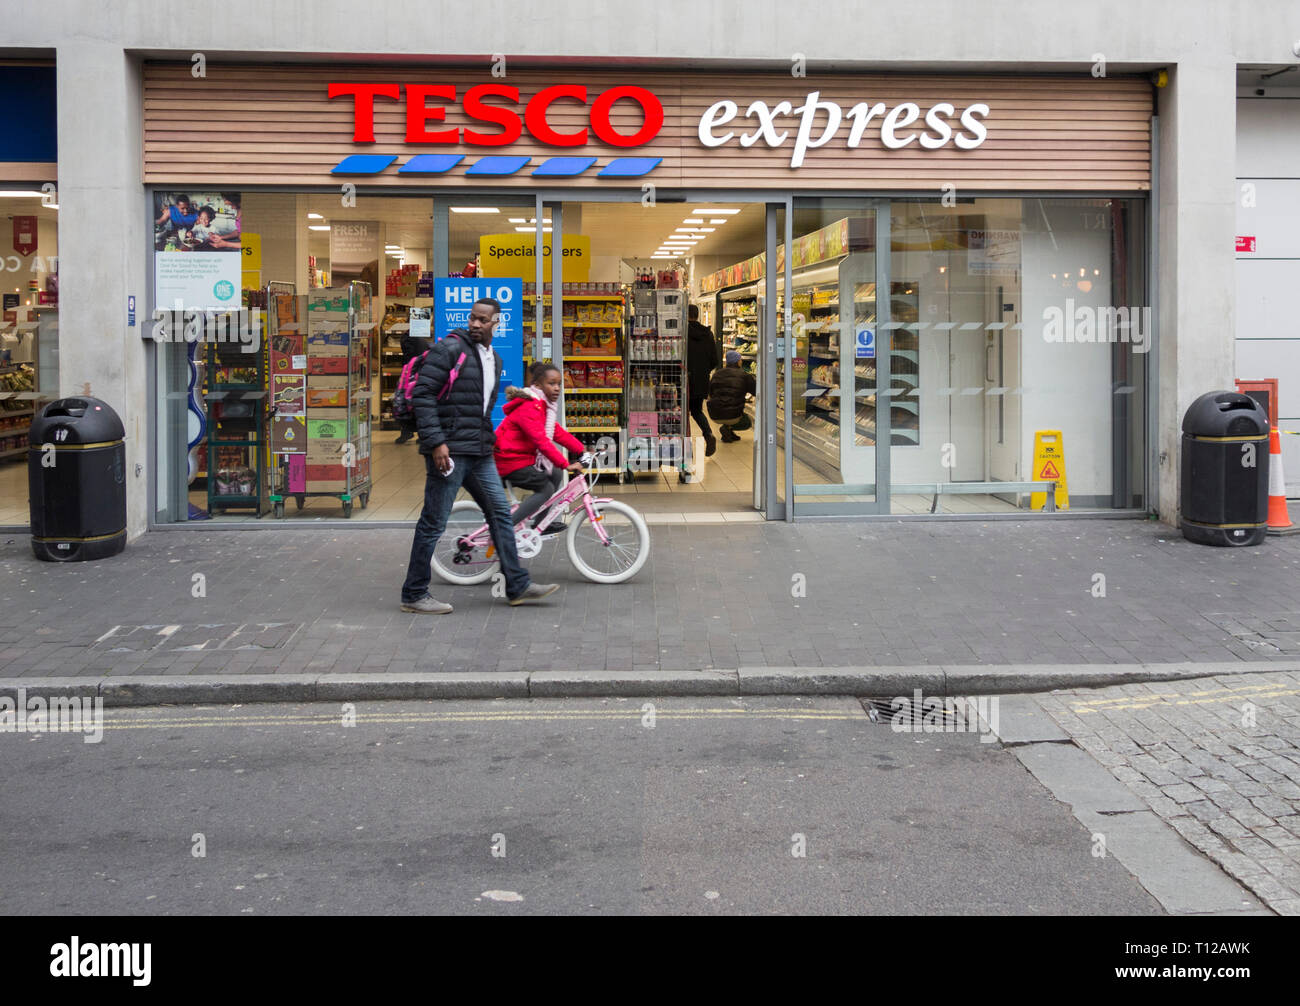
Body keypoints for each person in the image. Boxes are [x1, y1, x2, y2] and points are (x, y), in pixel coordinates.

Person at [399, 297, 558, 613]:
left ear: (495, 323)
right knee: (434, 521)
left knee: (500, 515)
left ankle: (517, 585)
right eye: (473, 318)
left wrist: (490, 443)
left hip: (479, 451)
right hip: (450, 452)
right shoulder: (450, 350)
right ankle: (414, 594)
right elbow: (424, 395)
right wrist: (436, 443)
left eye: (483, 320)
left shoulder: (494, 360)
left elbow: (482, 411)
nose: (475, 324)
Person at [495, 362, 585, 533]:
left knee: (555, 473)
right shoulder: (530, 407)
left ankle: (540, 524)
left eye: (559, 384)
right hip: (509, 460)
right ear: (537, 385)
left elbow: (557, 432)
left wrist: (582, 450)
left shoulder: (543, 407)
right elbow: (541, 441)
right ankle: (504, 528)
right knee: (546, 488)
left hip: (521, 459)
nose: (557, 388)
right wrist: (566, 463)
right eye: (551, 384)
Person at [686, 303, 720, 457]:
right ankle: (708, 434)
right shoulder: (708, 334)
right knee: (696, 410)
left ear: (685, 315)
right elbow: (715, 360)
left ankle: (685, 447)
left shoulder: (682, 332)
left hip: (684, 378)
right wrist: (704, 371)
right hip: (701, 379)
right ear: (698, 315)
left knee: (679, 412)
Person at [707, 350, 757, 442]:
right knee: (747, 422)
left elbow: (710, 393)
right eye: (740, 359)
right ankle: (728, 427)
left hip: (714, 414)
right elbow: (756, 391)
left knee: (728, 409)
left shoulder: (716, 374)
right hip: (733, 415)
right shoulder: (744, 375)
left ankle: (729, 431)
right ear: (738, 361)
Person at [393, 326, 429, 445]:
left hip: (410, 373)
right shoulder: (422, 339)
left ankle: (407, 431)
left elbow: (408, 356)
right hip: (421, 372)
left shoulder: (408, 338)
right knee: (417, 403)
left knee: (405, 401)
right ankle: (420, 433)